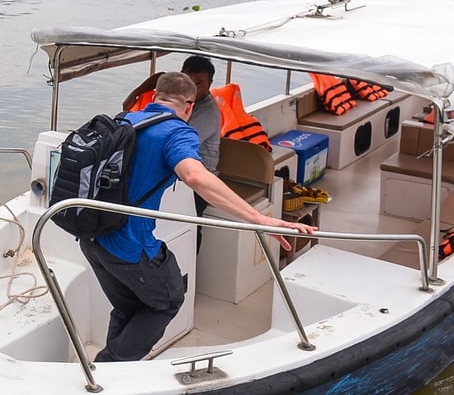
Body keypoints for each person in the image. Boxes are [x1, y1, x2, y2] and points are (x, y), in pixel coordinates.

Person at [83, 72, 316, 363]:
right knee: (168, 301)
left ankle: (112, 372)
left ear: (154, 97)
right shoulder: (177, 132)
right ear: (190, 106)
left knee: (129, 307)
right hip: (128, 244)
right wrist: (259, 218)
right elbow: (195, 175)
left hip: (92, 237)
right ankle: (108, 368)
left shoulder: (124, 120)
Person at [123, 56, 221, 244]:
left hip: (199, 178)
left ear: (210, 84)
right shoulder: (176, 97)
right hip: (172, 170)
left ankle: (191, 259)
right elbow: (158, 79)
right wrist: (136, 92)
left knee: (191, 226)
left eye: (199, 83)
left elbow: (175, 143)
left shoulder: (207, 113)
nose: (193, 87)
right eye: (189, 80)